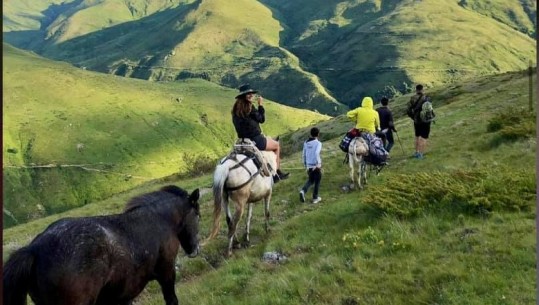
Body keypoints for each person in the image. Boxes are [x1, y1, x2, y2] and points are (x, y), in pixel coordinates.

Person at [232, 84, 289, 181]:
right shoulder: (249, 107)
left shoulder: (235, 109)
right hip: (255, 139)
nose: (251, 95)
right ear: (243, 96)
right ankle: (277, 173)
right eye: (248, 94)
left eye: (251, 93)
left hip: (242, 140)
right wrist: (260, 105)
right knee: (276, 145)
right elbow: (261, 119)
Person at [407, 84, 431, 159]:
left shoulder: (412, 98)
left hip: (417, 120)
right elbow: (430, 109)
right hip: (426, 121)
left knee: (417, 136)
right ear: (422, 89)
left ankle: (416, 152)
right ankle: (420, 154)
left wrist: (413, 117)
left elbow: (408, 110)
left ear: (416, 90)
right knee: (424, 137)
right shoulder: (426, 98)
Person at [299, 127, 322, 204]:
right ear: (318, 134)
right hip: (315, 166)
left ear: (310, 134)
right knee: (317, 181)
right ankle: (315, 198)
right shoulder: (318, 143)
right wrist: (318, 164)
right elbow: (316, 153)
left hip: (309, 166)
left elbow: (303, 155)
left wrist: (305, 165)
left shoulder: (306, 143)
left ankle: (303, 191)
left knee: (311, 180)